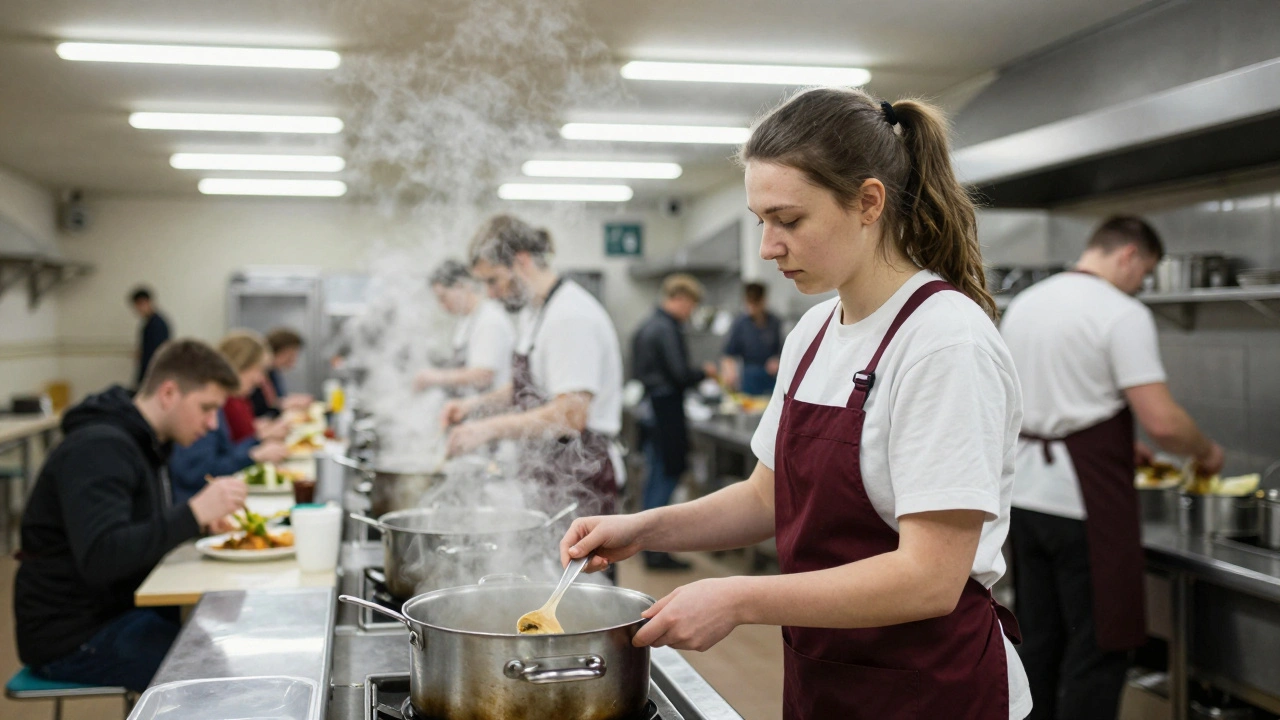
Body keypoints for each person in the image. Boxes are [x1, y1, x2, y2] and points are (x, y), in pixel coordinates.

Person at [559, 88, 1032, 720]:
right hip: (827, 675)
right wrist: (643, 529)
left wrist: (738, 598)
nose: (767, 247)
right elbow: (765, 496)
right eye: (761, 221)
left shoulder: (944, 340)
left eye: (789, 220)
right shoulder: (814, 332)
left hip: (930, 687)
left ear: (869, 202)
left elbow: (930, 577)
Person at [1000, 216, 1225, 720]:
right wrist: (1205, 452)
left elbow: (1046, 403)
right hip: (1084, 505)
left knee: (1039, 642)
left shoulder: (1027, 303)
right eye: (1143, 273)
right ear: (1128, 255)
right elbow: (1163, 423)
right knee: (1099, 646)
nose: (1141, 284)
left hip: (1025, 499)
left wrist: (1119, 446)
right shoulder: (1121, 313)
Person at [14, 340, 249, 692]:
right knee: (210, 675)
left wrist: (196, 522)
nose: (213, 423)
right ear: (169, 393)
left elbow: (134, 529)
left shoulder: (144, 441)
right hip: (71, 632)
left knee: (228, 637)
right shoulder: (100, 447)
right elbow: (102, 555)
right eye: (206, 407)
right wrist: (193, 513)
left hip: (112, 607)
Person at [442, 215, 624, 517]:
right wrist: (474, 405)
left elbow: (570, 415)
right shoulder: (535, 312)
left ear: (521, 261)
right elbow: (532, 383)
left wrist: (488, 429)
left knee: (578, 566)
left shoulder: (570, 317)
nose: (490, 293)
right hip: (548, 473)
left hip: (580, 475)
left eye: (493, 280)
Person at [631, 274, 717, 570]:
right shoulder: (666, 328)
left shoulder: (647, 325)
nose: (691, 312)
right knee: (665, 475)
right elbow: (680, 374)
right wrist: (704, 373)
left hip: (651, 408)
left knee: (655, 474)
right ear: (679, 298)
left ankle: (646, 544)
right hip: (665, 408)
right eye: (691, 305)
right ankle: (655, 550)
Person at [169, 331, 289, 505]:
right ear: (241, 364)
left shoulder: (225, 401)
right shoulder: (209, 404)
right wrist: (253, 453)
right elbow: (198, 471)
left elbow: (226, 451)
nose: (260, 380)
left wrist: (256, 443)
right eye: (259, 370)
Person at [414, 259, 516, 394]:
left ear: (461, 286)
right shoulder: (466, 319)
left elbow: (483, 375)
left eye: (443, 297)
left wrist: (435, 377)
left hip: (495, 407)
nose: (442, 305)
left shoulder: (490, 319)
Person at [720, 281, 784, 395]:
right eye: (749, 303)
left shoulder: (774, 322)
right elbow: (728, 353)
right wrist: (730, 373)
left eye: (756, 303)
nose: (752, 308)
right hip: (749, 376)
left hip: (771, 376)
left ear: (763, 301)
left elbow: (782, 350)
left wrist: (777, 360)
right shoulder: (740, 324)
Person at [250, 327, 314, 418]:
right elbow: (260, 410)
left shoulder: (273, 373)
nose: (293, 361)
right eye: (290, 355)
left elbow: (276, 400)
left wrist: (290, 401)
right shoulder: (257, 377)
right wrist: (285, 405)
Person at [130, 286, 171, 389]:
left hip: (154, 375)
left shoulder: (156, 324)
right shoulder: (149, 323)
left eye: (140, 305)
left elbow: (155, 354)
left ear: (147, 302)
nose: (138, 309)